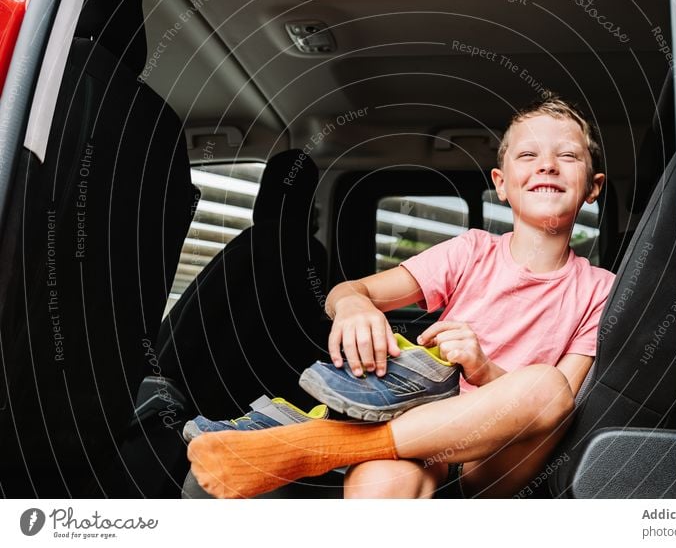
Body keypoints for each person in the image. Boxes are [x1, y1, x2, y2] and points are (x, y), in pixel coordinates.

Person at [186, 93, 615, 499]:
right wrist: (355, 307)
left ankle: (318, 444)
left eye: (568, 155)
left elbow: (560, 407)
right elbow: (346, 291)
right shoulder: (471, 251)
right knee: (380, 481)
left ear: (593, 187)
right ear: (501, 184)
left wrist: (483, 370)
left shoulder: (601, 288)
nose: (547, 166)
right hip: (413, 441)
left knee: (547, 385)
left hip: (495, 460)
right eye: (528, 155)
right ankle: (337, 447)